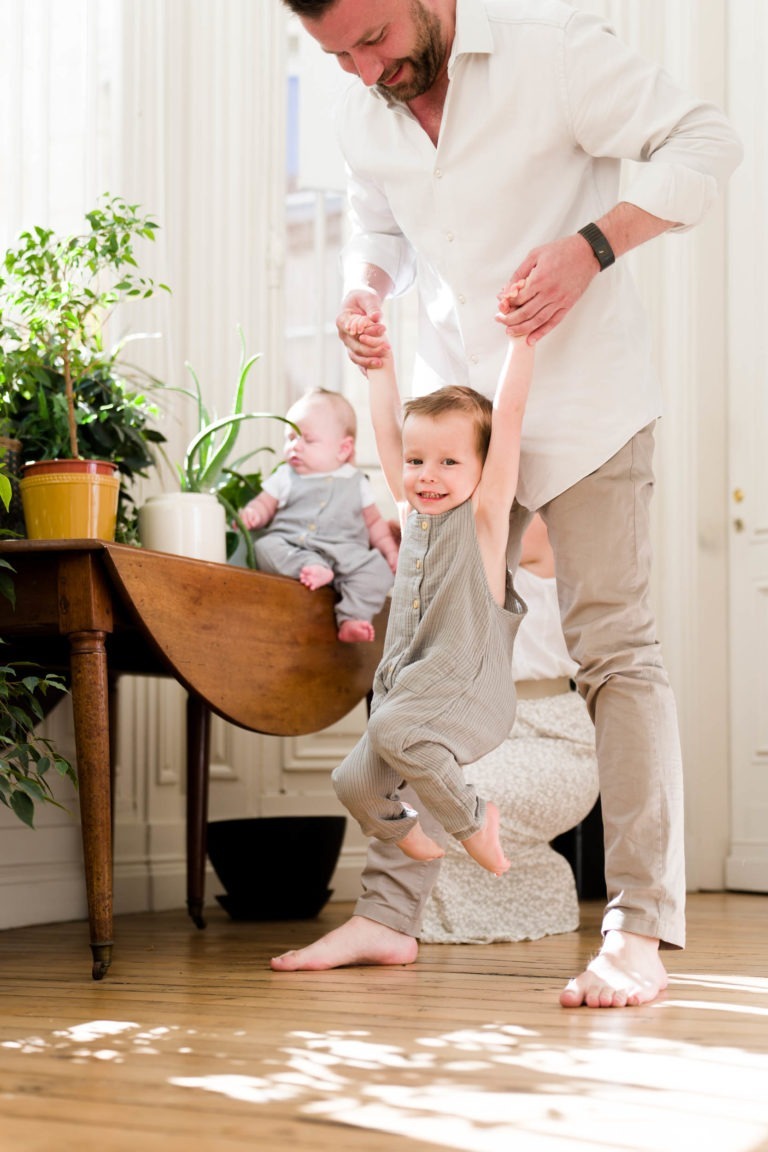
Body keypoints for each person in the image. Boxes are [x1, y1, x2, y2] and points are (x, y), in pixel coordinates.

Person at [272, 0, 743, 1007]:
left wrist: (592, 247)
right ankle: (390, 920)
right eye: (334, 54)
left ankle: (638, 932)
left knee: (616, 648)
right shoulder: (365, 109)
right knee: (426, 653)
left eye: (371, 40)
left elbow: (706, 138)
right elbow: (382, 227)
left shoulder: (553, 52)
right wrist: (364, 287)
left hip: (588, 403)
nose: (359, 70)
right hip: (461, 421)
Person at [331, 312, 534, 875]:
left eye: (449, 462)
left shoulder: (485, 521)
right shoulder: (411, 513)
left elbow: (509, 422)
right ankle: (408, 834)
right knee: (351, 782)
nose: (427, 475)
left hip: (470, 689)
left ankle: (475, 823)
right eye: (418, 462)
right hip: (412, 686)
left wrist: (522, 343)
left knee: (389, 727)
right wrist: (380, 366)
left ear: (480, 468)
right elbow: (387, 433)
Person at [421, 514, 600, 945]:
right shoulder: (449, 525)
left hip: (549, 732)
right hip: (477, 727)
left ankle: (536, 897)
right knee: (398, 788)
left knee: (448, 797)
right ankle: (423, 919)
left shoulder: (531, 524)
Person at [241, 386, 398, 642]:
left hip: (346, 552)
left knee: (378, 570)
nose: (295, 446)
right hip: (295, 546)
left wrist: (391, 552)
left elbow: (375, 523)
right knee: (265, 546)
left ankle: (353, 618)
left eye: (308, 439)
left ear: (343, 449)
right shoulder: (285, 476)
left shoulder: (356, 481)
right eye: (289, 438)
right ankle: (310, 567)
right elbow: (264, 503)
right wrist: (253, 514)